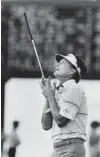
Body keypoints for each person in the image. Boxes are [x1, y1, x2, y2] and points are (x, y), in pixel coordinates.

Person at [40, 53, 88, 157]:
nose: (56, 65)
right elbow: (45, 125)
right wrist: (48, 97)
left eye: (62, 63)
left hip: (71, 148)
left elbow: (61, 121)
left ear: (72, 70)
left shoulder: (74, 87)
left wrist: (51, 96)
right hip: (59, 149)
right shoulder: (57, 91)